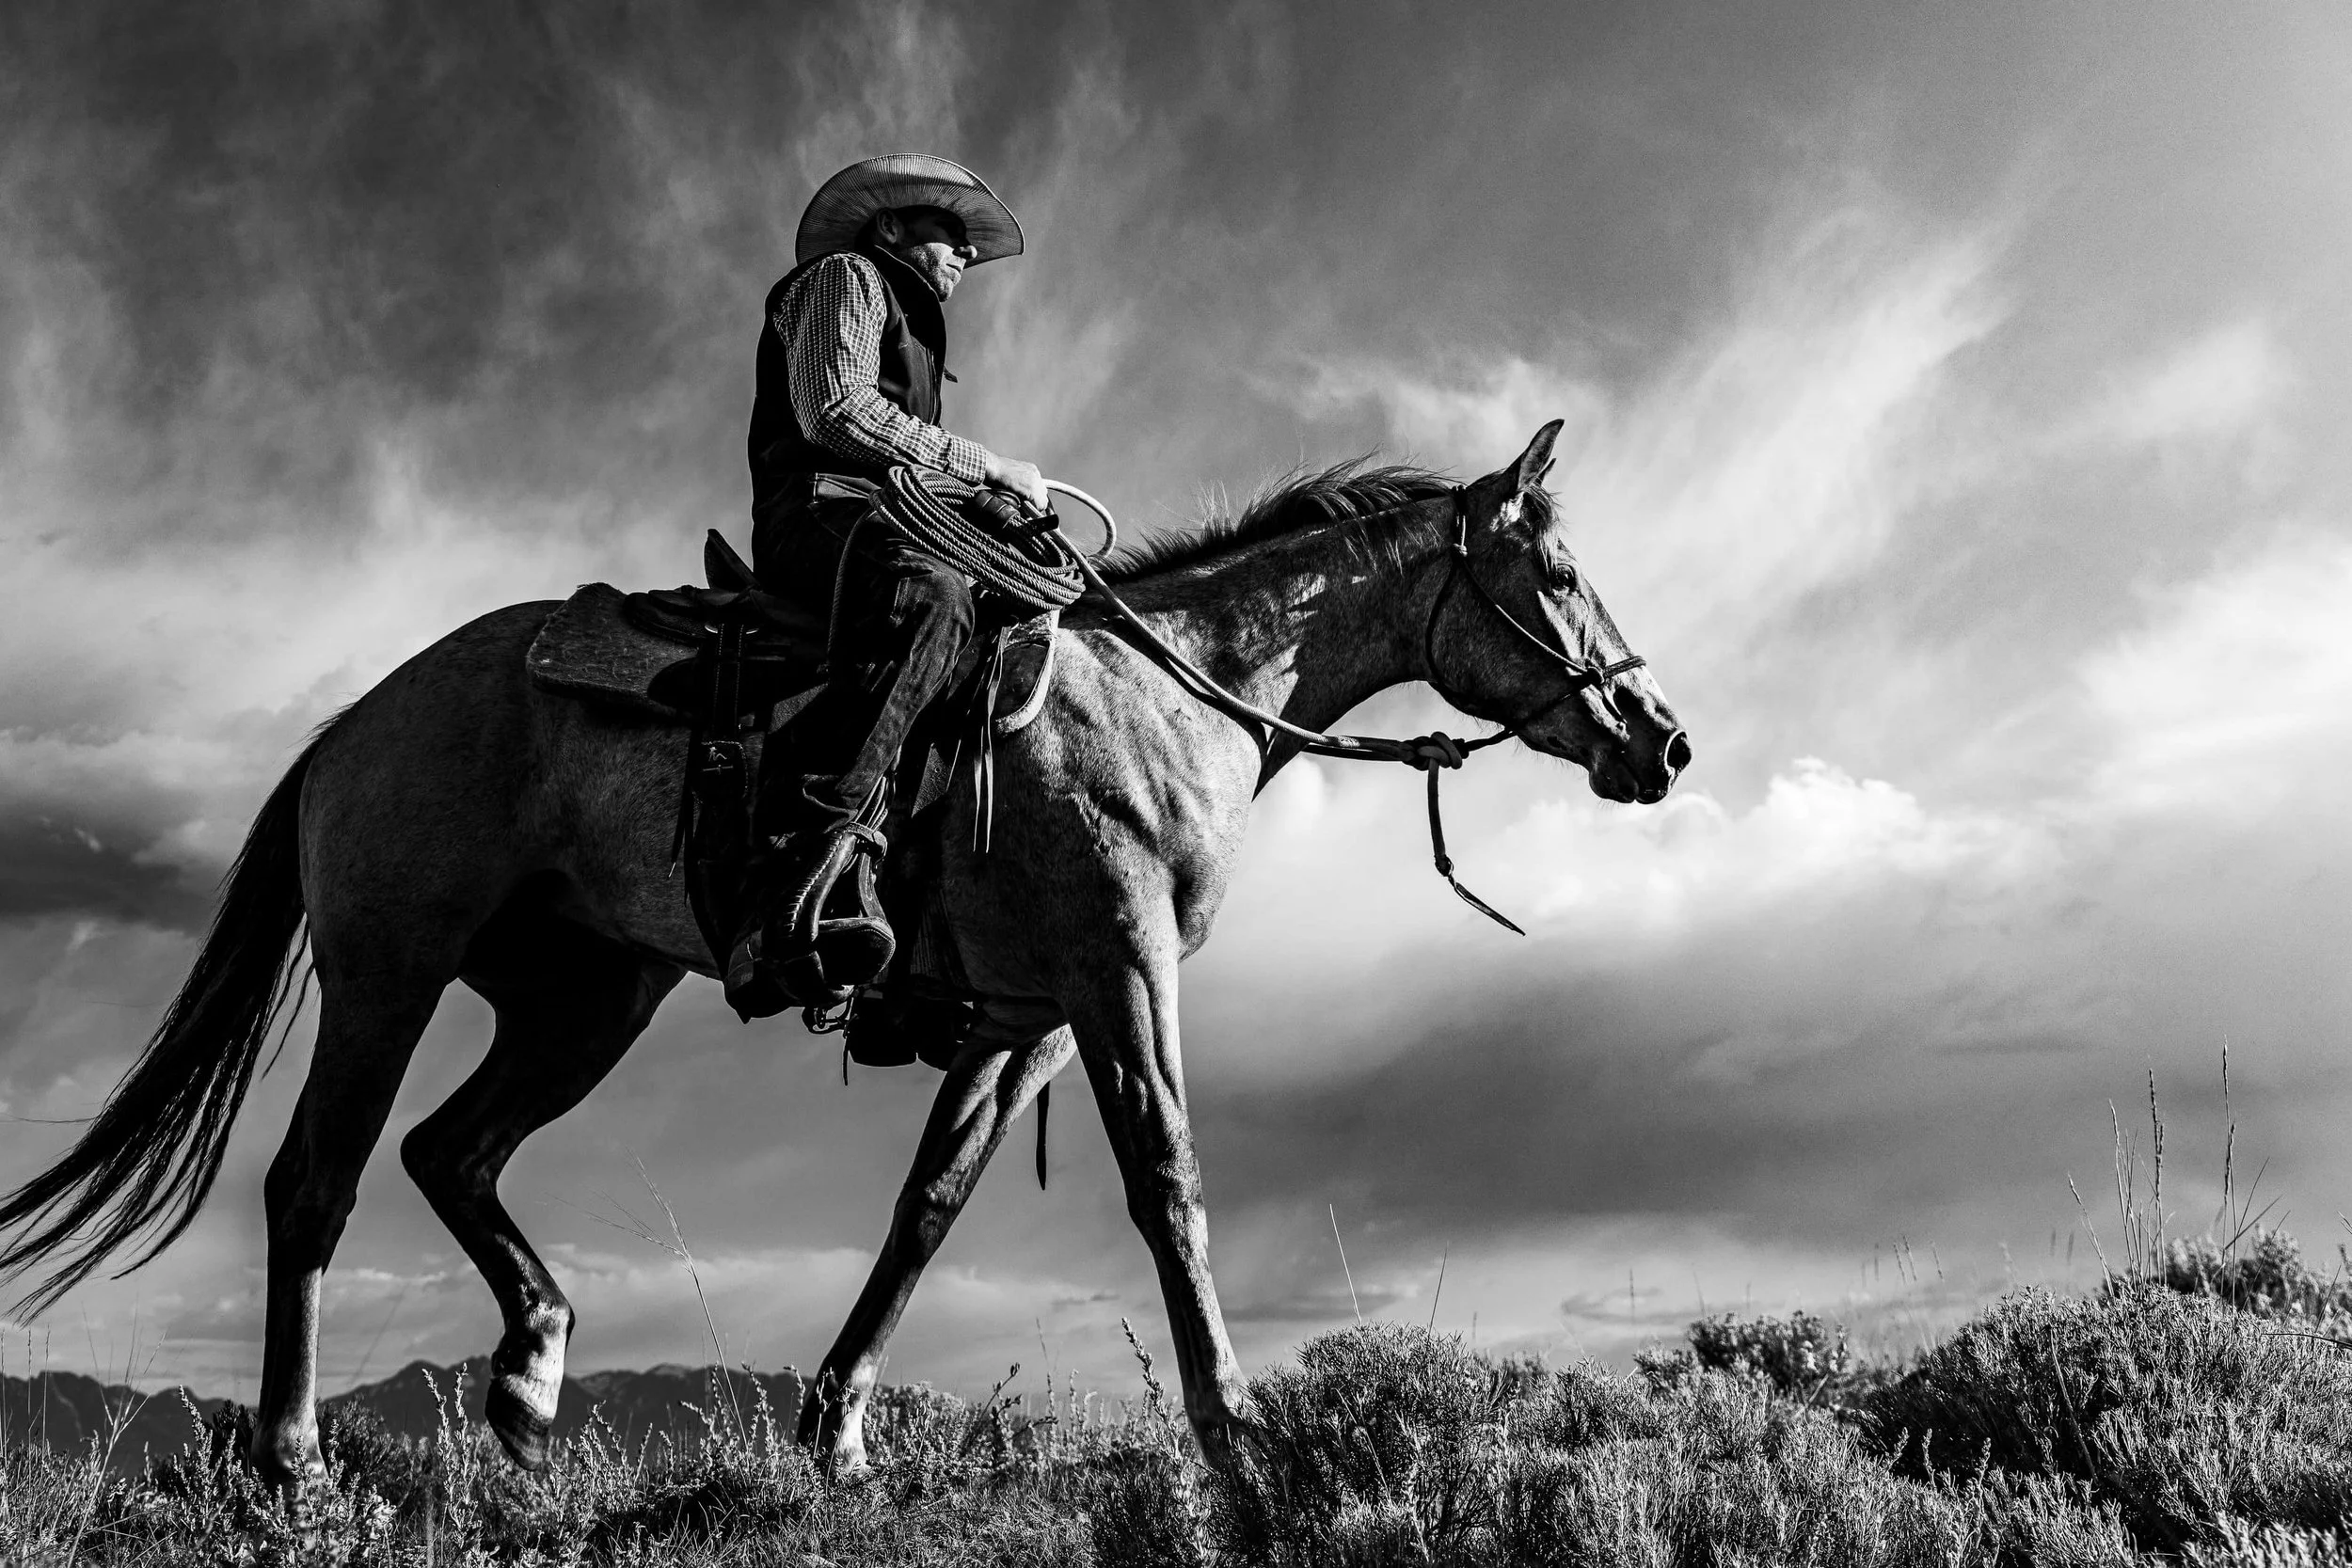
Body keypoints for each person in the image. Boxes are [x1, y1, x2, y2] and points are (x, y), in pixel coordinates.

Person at [727, 154, 1045, 1021]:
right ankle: (801, 866)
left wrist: (987, 501)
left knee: (1009, 635)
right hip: (818, 513)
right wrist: (988, 465)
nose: (968, 256)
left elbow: (906, 452)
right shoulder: (846, 277)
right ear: (893, 227)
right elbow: (836, 409)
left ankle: (917, 926)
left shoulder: (916, 323)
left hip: (884, 515)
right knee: (931, 600)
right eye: (955, 235)